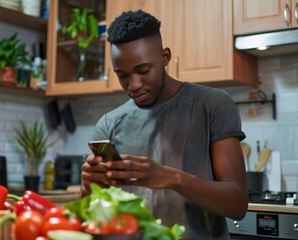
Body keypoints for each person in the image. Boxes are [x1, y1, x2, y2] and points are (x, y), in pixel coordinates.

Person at [81, 9, 248, 239]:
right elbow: (90, 218)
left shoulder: (213, 104)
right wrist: (88, 186)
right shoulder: (108, 124)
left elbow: (237, 204)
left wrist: (171, 177)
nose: (134, 85)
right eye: (123, 75)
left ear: (165, 57)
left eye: (143, 71)